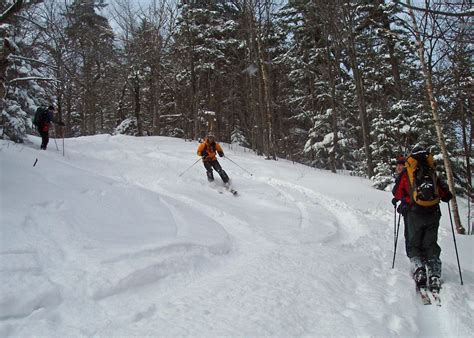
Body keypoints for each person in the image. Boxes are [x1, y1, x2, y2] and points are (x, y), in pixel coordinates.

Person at [392, 145, 453, 290]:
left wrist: (402, 200)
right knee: (430, 242)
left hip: (414, 214)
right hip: (433, 212)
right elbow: (446, 195)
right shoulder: (431, 171)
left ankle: (419, 270)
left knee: (413, 242)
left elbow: (397, 193)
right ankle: (434, 274)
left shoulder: (408, 172)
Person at [392, 156, 410, 256]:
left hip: (410, 209)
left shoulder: (405, 176)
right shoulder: (409, 176)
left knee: (410, 235)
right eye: (397, 165)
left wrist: (401, 200)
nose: (399, 167)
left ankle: (415, 261)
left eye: (401, 165)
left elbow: (397, 192)